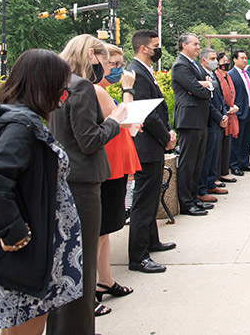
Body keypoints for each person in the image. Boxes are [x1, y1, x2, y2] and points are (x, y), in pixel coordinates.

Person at [0, 49, 82, 335]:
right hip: (31, 251)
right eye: (62, 84)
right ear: (45, 83)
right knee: (26, 327)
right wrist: (12, 230)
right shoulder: (22, 127)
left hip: (35, 249)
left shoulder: (13, 118)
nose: (65, 91)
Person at [47, 34, 128, 335]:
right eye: (106, 61)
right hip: (83, 181)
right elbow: (89, 140)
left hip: (66, 178)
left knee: (69, 262)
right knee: (81, 263)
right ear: (92, 56)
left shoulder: (59, 85)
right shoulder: (81, 88)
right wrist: (115, 120)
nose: (107, 69)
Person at [93, 44, 139, 316]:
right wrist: (127, 89)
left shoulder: (100, 90)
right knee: (99, 232)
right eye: (114, 64)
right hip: (107, 166)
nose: (119, 69)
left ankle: (105, 279)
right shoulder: (97, 90)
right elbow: (125, 117)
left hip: (114, 163)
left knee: (106, 229)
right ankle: (90, 291)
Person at [127, 30, 177, 275]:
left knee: (151, 196)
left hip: (153, 144)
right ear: (144, 48)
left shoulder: (145, 71)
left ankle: (152, 240)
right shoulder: (136, 72)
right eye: (156, 46)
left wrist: (167, 131)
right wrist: (165, 135)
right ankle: (138, 256)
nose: (159, 49)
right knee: (143, 202)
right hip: (146, 145)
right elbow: (145, 112)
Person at [171, 33, 212, 216]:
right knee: (188, 162)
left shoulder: (194, 64)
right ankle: (186, 202)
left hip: (200, 118)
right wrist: (203, 86)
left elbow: (211, 84)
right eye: (194, 44)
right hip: (188, 119)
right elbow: (197, 89)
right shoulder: (180, 65)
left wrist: (204, 85)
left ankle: (194, 197)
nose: (198, 46)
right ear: (184, 45)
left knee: (197, 161)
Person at [196, 48, 228, 204]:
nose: (216, 61)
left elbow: (219, 96)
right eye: (213, 58)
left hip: (218, 118)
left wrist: (224, 113)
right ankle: (202, 189)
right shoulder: (200, 74)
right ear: (204, 60)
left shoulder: (214, 74)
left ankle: (210, 183)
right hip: (209, 119)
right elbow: (207, 101)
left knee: (214, 154)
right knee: (207, 156)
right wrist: (218, 116)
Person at [228, 49, 250, 174]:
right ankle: (234, 165)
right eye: (242, 58)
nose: (245, 60)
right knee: (236, 140)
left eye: (246, 58)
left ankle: (245, 163)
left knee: (248, 138)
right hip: (239, 111)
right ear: (235, 59)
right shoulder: (231, 74)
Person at [215, 52, 239, 183]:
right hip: (222, 113)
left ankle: (224, 172)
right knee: (218, 147)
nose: (225, 63)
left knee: (226, 145)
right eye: (222, 61)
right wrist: (226, 109)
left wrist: (233, 106)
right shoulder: (216, 76)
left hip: (230, 112)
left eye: (226, 60)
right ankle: (217, 175)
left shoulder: (228, 76)